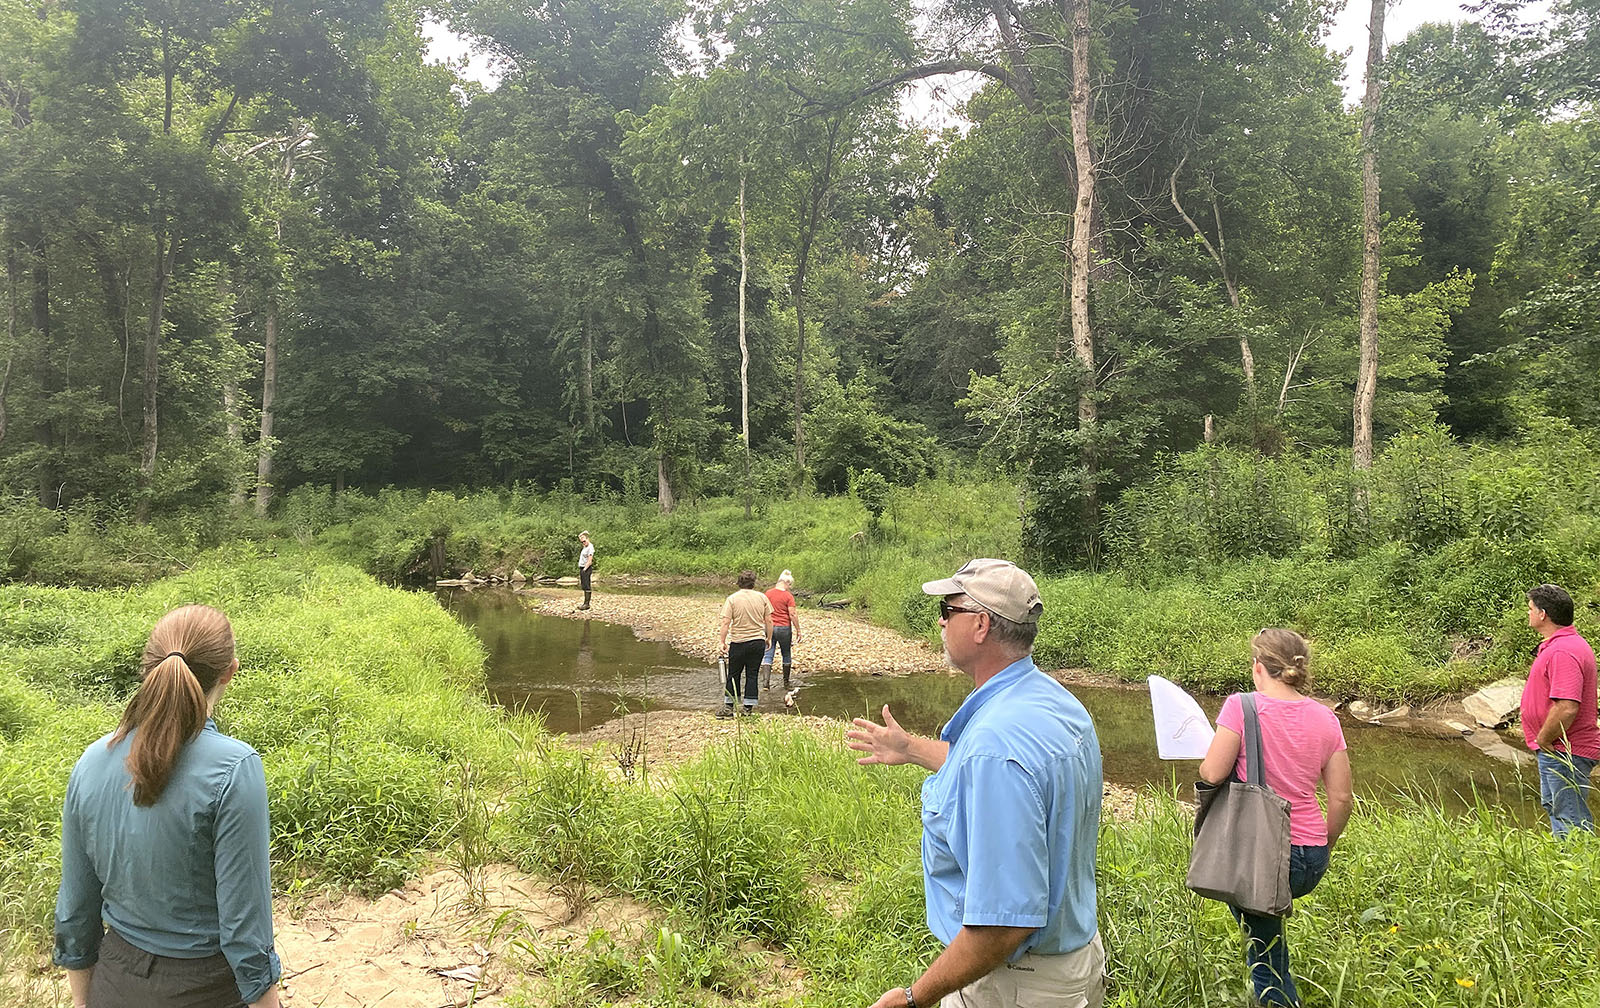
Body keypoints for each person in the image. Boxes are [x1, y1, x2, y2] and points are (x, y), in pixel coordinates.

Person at [846, 558, 1105, 1008]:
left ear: (981, 624)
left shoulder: (995, 747)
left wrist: (913, 998)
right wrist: (910, 748)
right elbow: (1002, 769)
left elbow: (1005, 925)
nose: (941, 623)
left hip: (1018, 986)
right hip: (1074, 963)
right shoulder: (1054, 703)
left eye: (947, 611)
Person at [54, 605, 282, 1008]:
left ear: (147, 668)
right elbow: (245, 933)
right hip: (206, 989)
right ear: (230, 671)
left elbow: (75, 909)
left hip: (114, 979)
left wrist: (82, 999)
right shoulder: (235, 769)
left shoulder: (90, 761)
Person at [1197, 628, 1353, 1008]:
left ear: (1257, 667)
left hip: (1262, 853)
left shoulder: (1241, 706)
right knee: (1268, 936)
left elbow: (1212, 773)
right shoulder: (1325, 718)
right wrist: (1323, 843)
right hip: (1310, 856)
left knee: (1265, 959)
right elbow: (1342, 798)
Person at [1519, 583, 1598, 837]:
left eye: (1530, 608)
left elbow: (1567, 707)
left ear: (1543, 614)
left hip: (1565, 748)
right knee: (1557, 807)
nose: (1528, 613)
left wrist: (1543, 738)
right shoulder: (1561, 645)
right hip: (1560, 749)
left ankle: (1577, 870)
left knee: (1570, 816)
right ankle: (1566, 867)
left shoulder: (1564, 651)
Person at [717, 569, 773, 718]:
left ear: (739, 583)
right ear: (753, 583)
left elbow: (725, 622)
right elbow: (768, 620)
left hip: (739, 641)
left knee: (734, 674)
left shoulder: (732, 599)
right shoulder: (762, 598)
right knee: (752, 674)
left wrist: (722, 641)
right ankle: (747, 709)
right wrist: (768, 638)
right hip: (757, 641)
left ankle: (729, 707)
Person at [761, 569, 802, 692]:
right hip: (784, 628)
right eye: (790, 585)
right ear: (787, 582)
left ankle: (765, 684)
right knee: (786, 653)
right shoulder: (788, 596)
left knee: (768, 654)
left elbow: (763, 610)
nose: (790, 587)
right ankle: (786, 682)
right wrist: (798, 630)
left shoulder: (768, 593)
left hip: (770, 627)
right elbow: (792, 614)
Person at [577, 531, 596, 611]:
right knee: (583, 585)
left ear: (588, 539)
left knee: (587, 585)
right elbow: (580, 536)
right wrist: (583, 533)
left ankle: (587, 604)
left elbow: (590, 560)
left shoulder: (590, 547)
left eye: (584, 541)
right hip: (582, 567)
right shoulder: (585, 547)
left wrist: (585, 569)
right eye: (582, 542)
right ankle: (585, 603)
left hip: (586, 568)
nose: (583, 543)